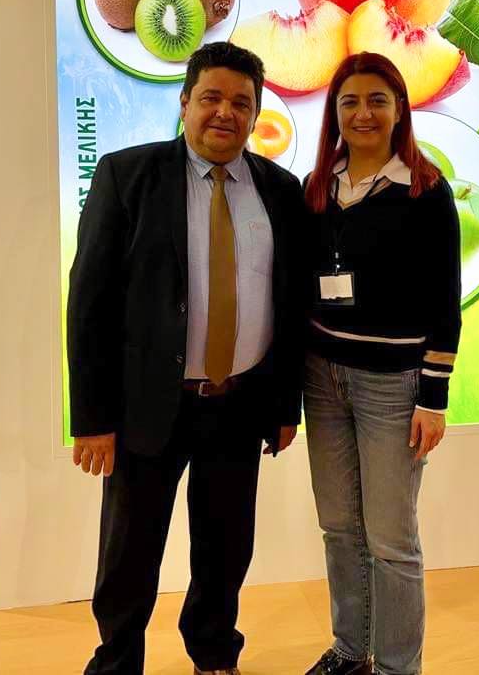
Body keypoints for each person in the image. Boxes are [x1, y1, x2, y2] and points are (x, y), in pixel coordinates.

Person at [67, 41, 308, 675]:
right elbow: (89, 303)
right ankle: (117, 661)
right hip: (149, 404)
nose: (225, 112)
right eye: (211, 97)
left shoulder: (281, 191)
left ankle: (213, 651)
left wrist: (285, 407)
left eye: (241, 102)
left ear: (256, 114)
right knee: (129, 553)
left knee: (226, 547)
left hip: (239, 404)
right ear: (184, 103)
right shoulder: (128, 176)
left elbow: (289, 308)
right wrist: (91, 417)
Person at [301, 52, 462, 675]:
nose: (363, 113)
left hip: (392, 386)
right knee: (339, 527)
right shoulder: (318, 187)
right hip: (323, 378)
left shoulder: (425, 190)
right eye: (349, 101)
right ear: (334, 113)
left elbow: (445, 303)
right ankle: (351, 651)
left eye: (377, 100)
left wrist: (433, 398)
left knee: (391, 540)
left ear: (399, 110)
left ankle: (397, 667)